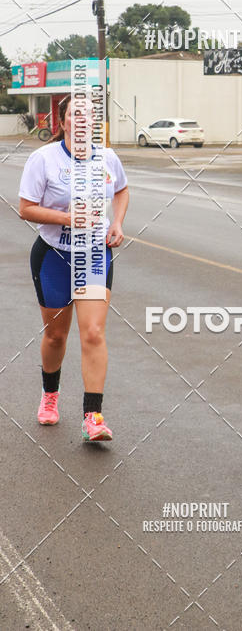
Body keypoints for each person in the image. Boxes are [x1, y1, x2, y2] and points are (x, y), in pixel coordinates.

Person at [18, 94, 129, 442]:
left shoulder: (107, 157)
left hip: (95, 253)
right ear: (63, 121)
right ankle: (50, 395)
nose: (82, 121)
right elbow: (26, 208)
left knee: (93, 333)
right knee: (56, 335)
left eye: (89, 116)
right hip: (54, 254)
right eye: (75, 115)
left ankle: (93, 417)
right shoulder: (44, 159)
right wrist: (68, 218)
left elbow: (122, 191)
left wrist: (118, 224)